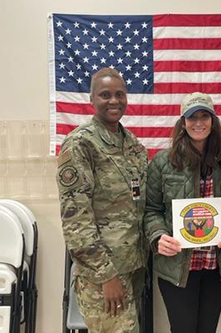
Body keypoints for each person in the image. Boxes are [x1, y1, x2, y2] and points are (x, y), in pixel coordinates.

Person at [56, 67, 148, 333]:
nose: (114, 101)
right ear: (92, 99)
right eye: (105, 95)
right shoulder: (81, 144)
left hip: (133, 264)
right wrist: (106, 274)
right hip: (104, 273)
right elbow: (76, 221)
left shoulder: (132, 145)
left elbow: (139, 201)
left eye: (120, 94)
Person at [144, 92, 221, 333]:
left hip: (215, 267)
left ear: (213, 121)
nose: (198, 123)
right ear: (182, 122)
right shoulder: (163, 163)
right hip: (177, 267)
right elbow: (151, 210)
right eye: (192, 117)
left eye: (204, 116)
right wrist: (158, 236)